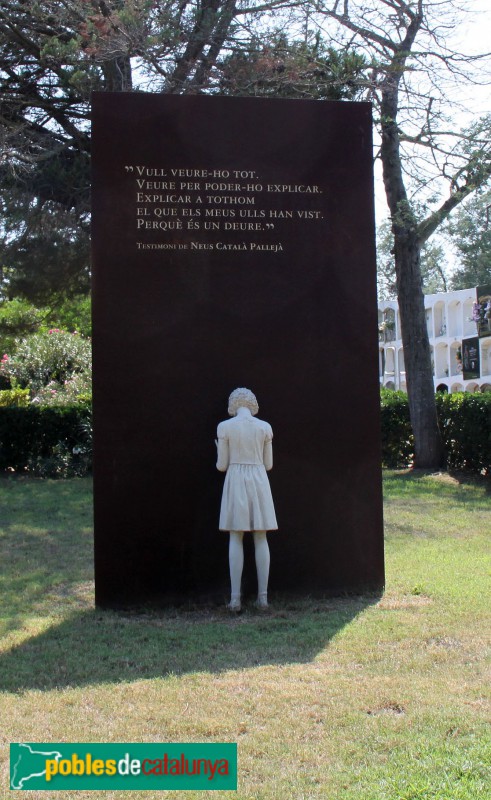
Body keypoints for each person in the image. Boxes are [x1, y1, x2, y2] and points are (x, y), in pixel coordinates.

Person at [216, 388, 278, 611]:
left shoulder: (224, 427)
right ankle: (263, 598)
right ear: (252, 403)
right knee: (261, 536)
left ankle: (235, 599)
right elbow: (268, 464)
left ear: (233, 403)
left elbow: (221, 466)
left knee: (236, 535)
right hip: (259, 479)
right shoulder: (265, 427)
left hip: (236, 479)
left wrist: (219, 449)